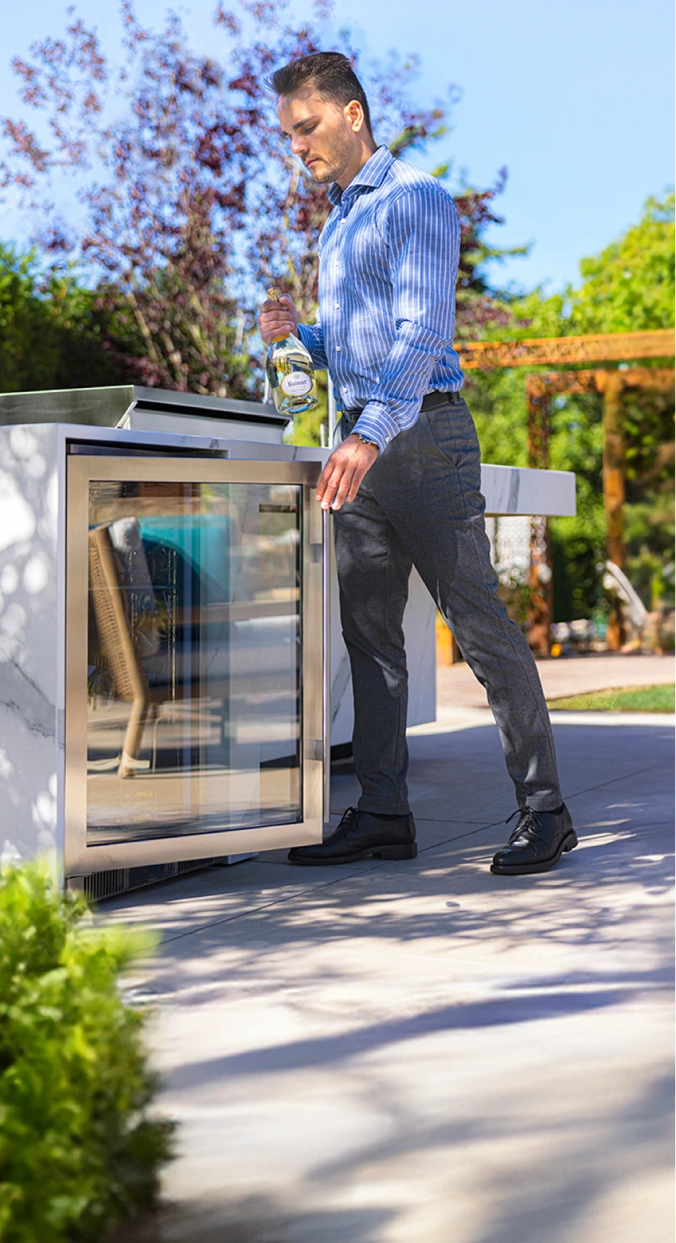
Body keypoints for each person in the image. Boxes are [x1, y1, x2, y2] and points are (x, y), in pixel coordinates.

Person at [259, 52, 576, 877]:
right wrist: (295, 337)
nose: (298, 146)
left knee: (477, 627)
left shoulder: (415, 200)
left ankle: (545, 809)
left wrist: (365, 435)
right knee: (367, 637)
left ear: (353, 114)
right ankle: (382, 812)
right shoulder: (337, 221)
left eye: (308, 127)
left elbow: (422, 331)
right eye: (288, 134)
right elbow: (356, 345)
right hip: (359, 445)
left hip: (421, 439)